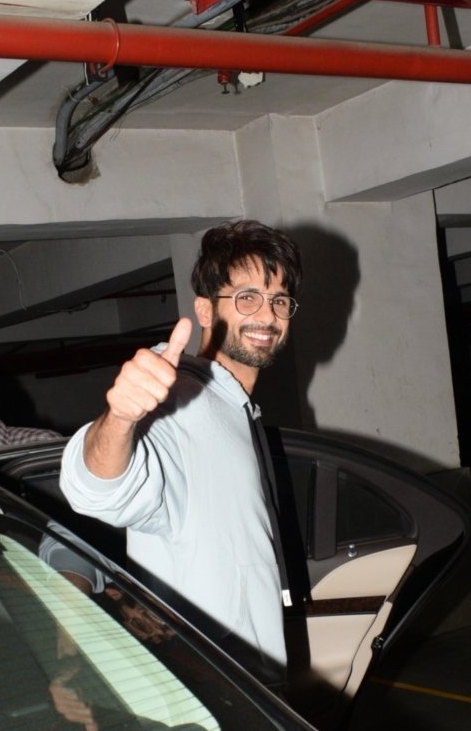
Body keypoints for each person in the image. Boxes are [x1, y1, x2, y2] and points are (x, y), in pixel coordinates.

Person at [59, 219, 302, 686]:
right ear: (205, 311)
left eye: (279, 300)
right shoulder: (180, 398)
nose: (266, 316)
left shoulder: (235, 408)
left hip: (250, 682)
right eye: (247, 297)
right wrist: (121, 418)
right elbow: (96, 492)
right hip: (206, 685)